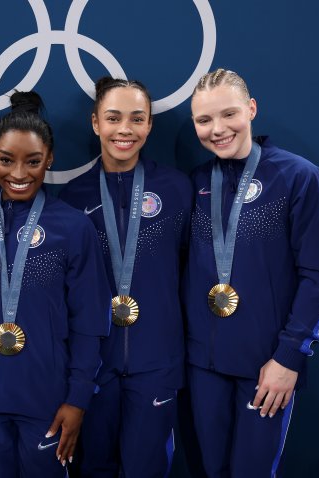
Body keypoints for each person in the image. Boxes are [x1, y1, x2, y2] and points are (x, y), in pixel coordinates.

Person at [184, 68, 319, 477]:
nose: (217, 129)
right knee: (210, 470)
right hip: (203, 366)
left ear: (252, 109)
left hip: (266, 366)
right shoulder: (196, 183)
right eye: (204, 120)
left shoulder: (299, 178)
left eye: (229, 114)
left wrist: (289, 357)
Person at [0, 91, 110, 477]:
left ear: (50, 160)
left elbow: (91, 322)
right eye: (7, 160)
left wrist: (77, 400)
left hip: (46, 400)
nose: (19, 174)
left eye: (33, 161)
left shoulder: (74, 226)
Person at [59, 77, 192, 477]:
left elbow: (189, 267)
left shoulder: (177, 188)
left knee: (147, 469)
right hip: (96, 364)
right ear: (96, 122)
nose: (125, 129)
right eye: (113, 118)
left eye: (137, 119)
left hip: (156, 361)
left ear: (149, 125)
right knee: (94, 467)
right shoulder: (72, 197)